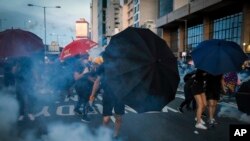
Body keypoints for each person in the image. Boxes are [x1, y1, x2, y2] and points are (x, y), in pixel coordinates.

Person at [89, 63, 125, 139]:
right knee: (106, 119)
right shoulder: (103, 65)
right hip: (108, 95)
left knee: (119, 118)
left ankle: (115, 135)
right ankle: (104, 135)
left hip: (120, 95)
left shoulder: (123, 64)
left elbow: (129, 80)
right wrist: (92, 95)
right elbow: (97, 81)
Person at [73, 54, 94, 122]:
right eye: (86, 58)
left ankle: (76, 109)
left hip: (86, 85)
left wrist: (94, 81)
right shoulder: (78, 66)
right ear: (82, 58)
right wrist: (84, 73)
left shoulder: (87, 65)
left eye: (88, 57)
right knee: (86, 101)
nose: (87, 59)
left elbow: (88, 76)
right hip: (80, 86)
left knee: (81, 99)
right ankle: (85, 117)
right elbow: (76, 77)